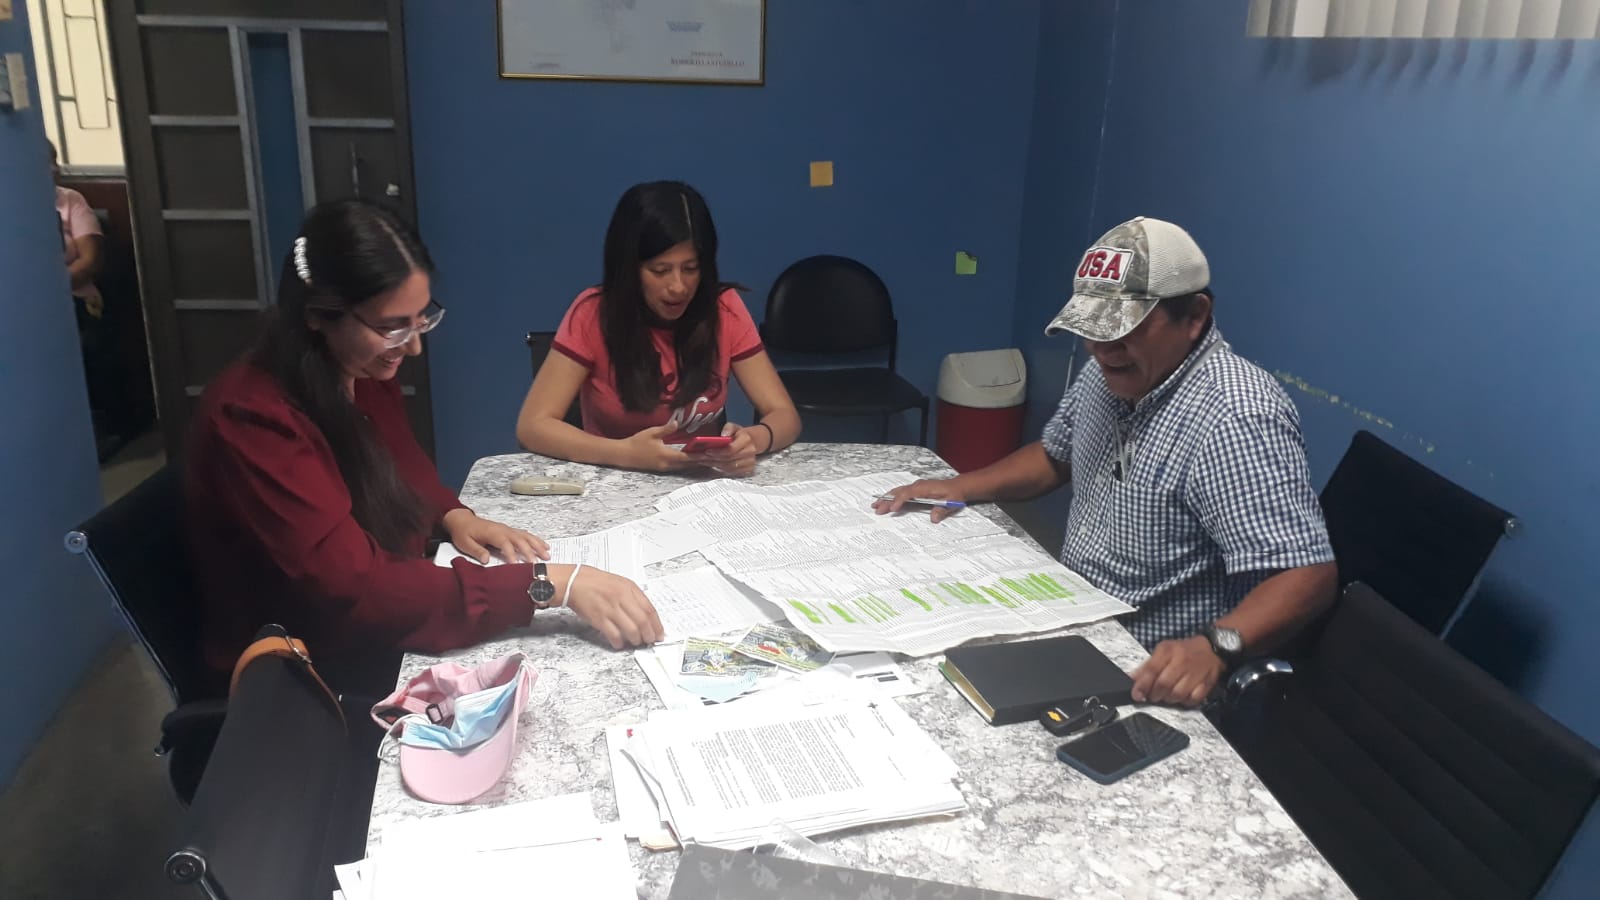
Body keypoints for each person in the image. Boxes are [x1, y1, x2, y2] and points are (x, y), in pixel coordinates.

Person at [185, 199, 663, 698]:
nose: (413, 346)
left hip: (364, 631)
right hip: (306, 677)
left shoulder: (352, 367)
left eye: (422, 319)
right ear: (318, 316)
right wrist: (545, 585)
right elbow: (360, 591)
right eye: (393, 326)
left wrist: (452, 515)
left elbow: (401, 467)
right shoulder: (254, 419)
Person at [876, 216, 1336, 709]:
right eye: (1092, 329)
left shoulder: (1236, 415)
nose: (1102, 348)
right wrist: (965, 485)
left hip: (1151, 668)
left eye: (1124, 329)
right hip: (1078, 615)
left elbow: (1307, 574)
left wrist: (1215, 647)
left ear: (1194, 316)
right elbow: (1056, 456)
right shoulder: (1113, 372)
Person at [516, 181, 800, 476]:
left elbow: (784, 415)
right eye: (660, 270)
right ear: (629, 268)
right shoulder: (593, 313)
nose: (678, 287)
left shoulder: (723, 307)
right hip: (617, 481)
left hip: (700, 486)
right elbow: (532, 426)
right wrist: (625, 453)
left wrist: (752, 440)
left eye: (690, 269)